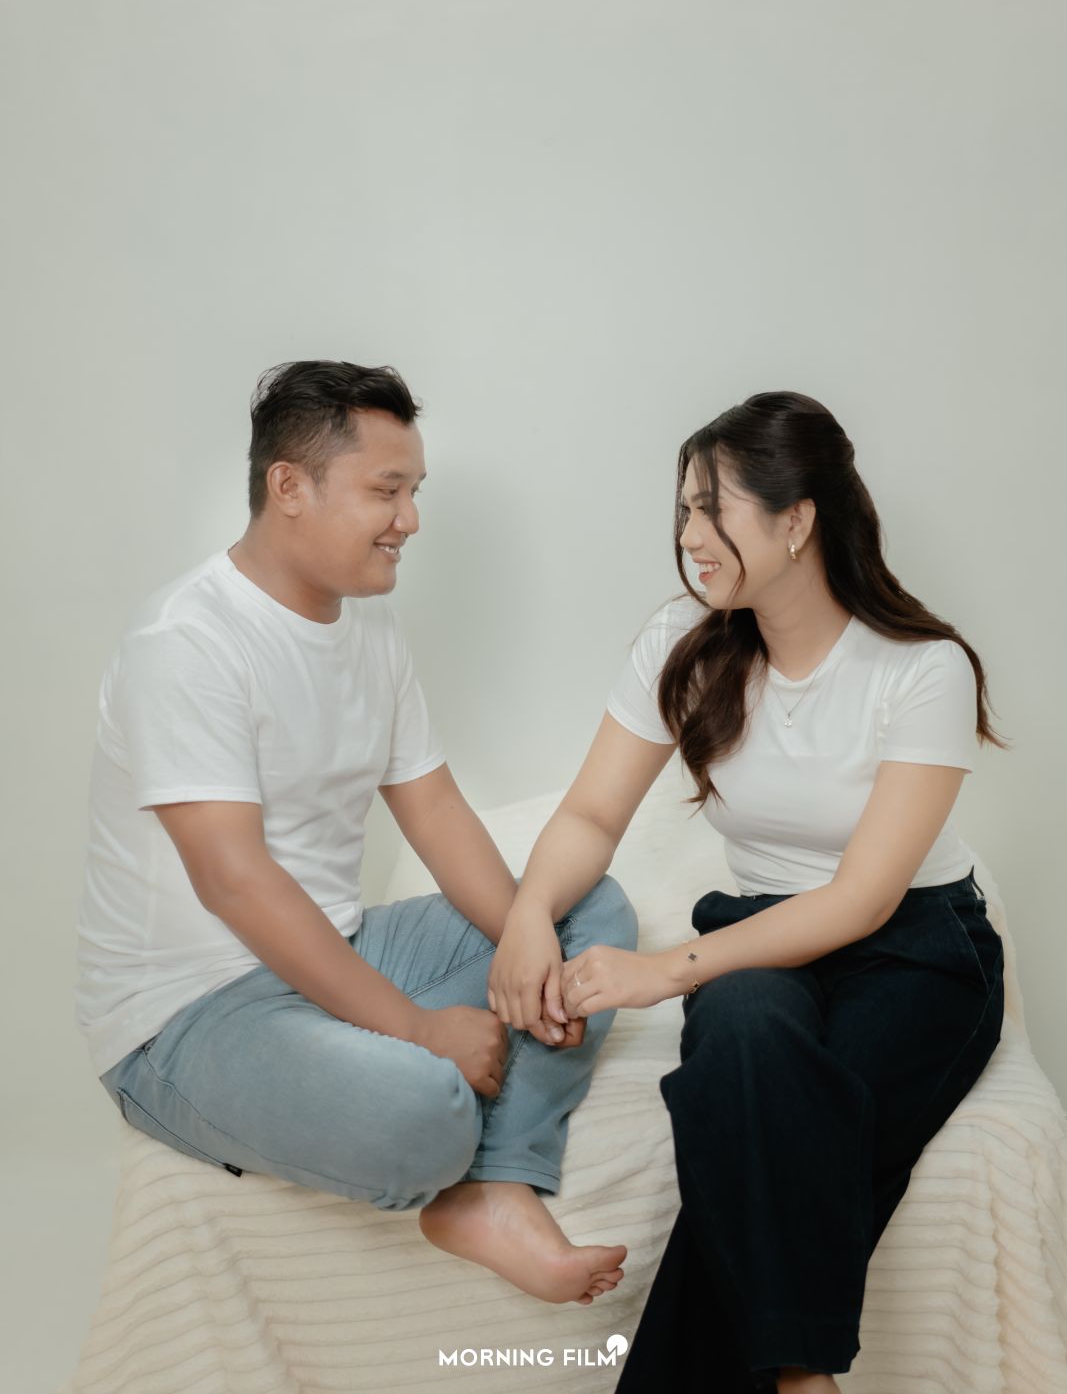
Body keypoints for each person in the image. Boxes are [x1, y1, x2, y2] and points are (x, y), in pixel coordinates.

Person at [74, 358, 638, 1306]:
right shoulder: (185, 643)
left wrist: (524, 938)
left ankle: (496, 1185)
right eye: (386, 490)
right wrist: (417, 1030)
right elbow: (234, 880)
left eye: (414, 491)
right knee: (423, 1110)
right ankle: (437, 1121)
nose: (409, 520)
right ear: (288, 487)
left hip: (337, 947)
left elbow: (436, 812)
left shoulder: (371, 630)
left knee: (588, 912)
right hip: (187, 1014)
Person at [488, 390, 1006, 1391]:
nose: (689, 536)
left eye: (710, 507)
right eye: (683, 508)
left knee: (792, 1129)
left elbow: (860, 901)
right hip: (764, 930)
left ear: (796, 518)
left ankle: (797, 1374)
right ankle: (804, 1377)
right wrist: (525, 916)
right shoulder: (682, 642)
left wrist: (658, 972)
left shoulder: (921, 669)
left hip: (912, 945)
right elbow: (590, 814)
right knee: (743, 1036)